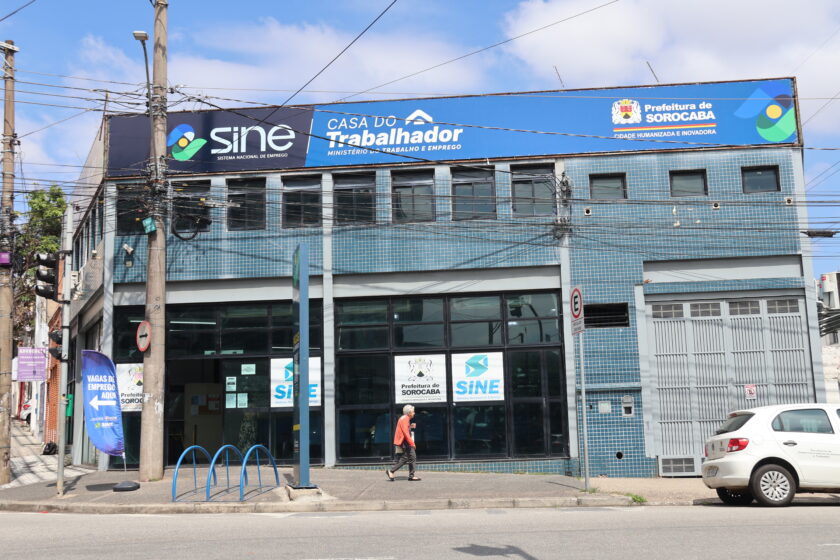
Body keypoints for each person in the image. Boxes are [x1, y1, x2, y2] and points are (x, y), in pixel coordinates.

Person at [386, 404, 421, 481]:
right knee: (411, 457)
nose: (414, 413)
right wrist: (412, 443)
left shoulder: (404, 418)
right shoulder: (405, 419)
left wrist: (410, 426)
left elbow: (404, 429)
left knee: (407, 457)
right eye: (413, 411)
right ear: (409, 412)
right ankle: (392, 471)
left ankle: (393, 471)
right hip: (405, 441)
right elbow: (405, 433)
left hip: (404, 441)